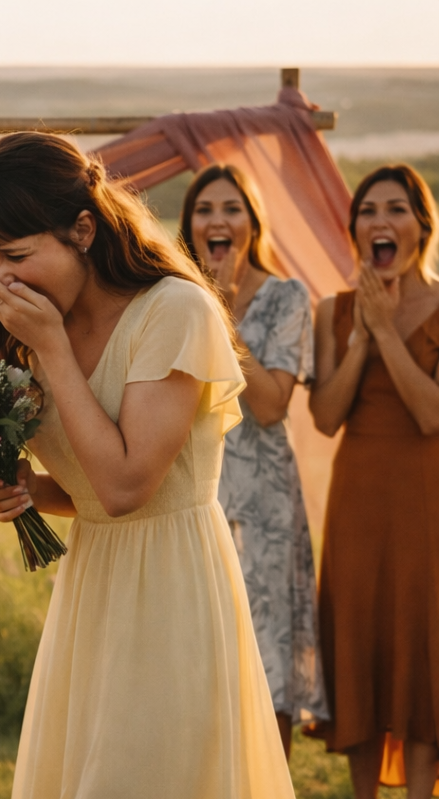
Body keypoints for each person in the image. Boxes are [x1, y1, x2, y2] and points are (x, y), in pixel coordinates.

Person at [0, 133, 320, 799]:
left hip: (171, 608)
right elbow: (87, 485)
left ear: (83, 229)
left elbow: (126, 483)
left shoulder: (175, 311)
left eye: (12, 253)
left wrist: (47, 352)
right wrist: (28, 488)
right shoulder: (28, 324)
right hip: (96, 602)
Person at [310, 165, 439, 799]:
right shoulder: (329, 311)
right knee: (357, 640)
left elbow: (430, 414)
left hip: (427, 497)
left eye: (397, 209)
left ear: (422, 225)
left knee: (420, 648)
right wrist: (362, 333)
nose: (380, 220)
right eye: (367, 210)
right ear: (355, 229)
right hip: (356, 494)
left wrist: (389, 330)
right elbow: (326, 417)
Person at [179, 164, 329, 759]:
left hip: (266, 501)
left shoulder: (288, 298)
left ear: (251, 222)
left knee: (268, 657)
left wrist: (223, 317)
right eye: (205, 208)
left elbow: (269, 405)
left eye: (232, 208)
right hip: (193, 493)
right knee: (202, 656)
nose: (218, 219)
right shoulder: (170, 296)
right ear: (189, 225)